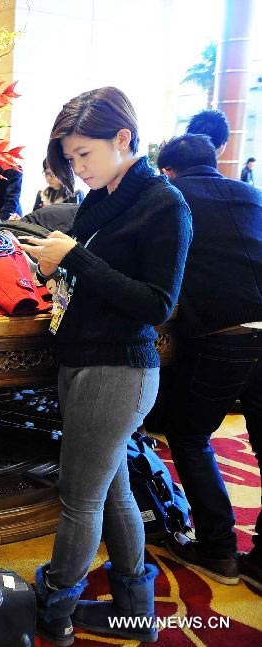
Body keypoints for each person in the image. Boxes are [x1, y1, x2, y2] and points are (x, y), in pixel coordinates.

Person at [20, 87, 191, 645]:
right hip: (86, 360)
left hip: (120, 367)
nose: (78, 168)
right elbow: (94, 275)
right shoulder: (103, 198)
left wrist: (75, 258)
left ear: (124, 139)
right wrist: (57, 267)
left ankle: (55, 610)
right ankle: (136, 613)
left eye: (83, 155)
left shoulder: (165, 204)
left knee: (79, 498)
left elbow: (157, 305)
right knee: (112, 491)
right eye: (70, 159)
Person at [156, 134, 262, 591]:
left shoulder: (172, 198)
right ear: (215, 161)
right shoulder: (252, 195)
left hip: (224, 334)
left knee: (190, 434)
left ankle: (218, 548)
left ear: (168, 171)